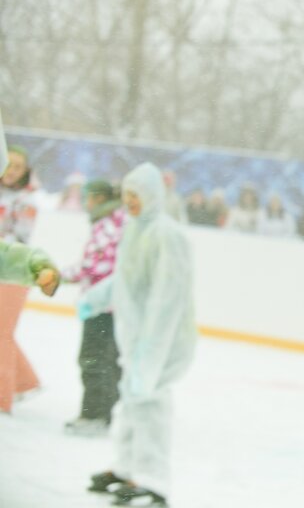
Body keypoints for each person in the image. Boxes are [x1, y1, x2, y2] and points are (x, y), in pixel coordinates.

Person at [81, 163, 196, 507]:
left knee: (150, 405)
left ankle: (153, 481)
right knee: (131, 402)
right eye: (126, 195)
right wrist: (94, 298)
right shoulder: (135, 229)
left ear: (151, 196)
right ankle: (127, 468)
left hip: (163, 340)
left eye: (136, 195)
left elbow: (167, 299)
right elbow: (125, 279)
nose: (130, 201)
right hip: (136, 337)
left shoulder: (167, 234)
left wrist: (152, 348)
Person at [61, 180, 125, 435]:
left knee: (93, 358)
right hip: (115, 306)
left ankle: (94, 415)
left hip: (102, 306)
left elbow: (93, 266)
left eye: (86, 198)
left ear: (98, 198)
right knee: (108, 360)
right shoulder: (120, 222)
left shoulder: (107, 225)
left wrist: (57, 276)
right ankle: (102, 413)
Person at [0, 144, 45, 413]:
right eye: (8, 164)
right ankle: (26, 382)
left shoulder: (26, 201)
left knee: (1, 334)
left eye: (17, 166)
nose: (11, 171)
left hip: (13, 274)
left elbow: (21, 239)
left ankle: (3, 397)